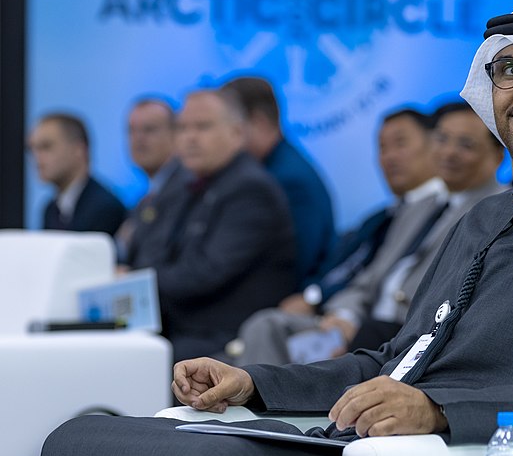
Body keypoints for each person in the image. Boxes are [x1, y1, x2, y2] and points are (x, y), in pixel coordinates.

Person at [39, 0, 513, 456]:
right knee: (78, 436)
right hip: (370, 440)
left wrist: (437, 410)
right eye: (509, 69)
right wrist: (253, 382)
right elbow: (394, 359)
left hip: (450, 451)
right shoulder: (483, 218)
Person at [229, 101, 504, 366]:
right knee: (267, 326)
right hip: (364, 324)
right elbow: (367, 281)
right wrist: (345, 315)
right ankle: (261, 408)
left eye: (465, 145)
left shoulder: (497, 212)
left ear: (498, 154)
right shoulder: (416, 207)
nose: (449, 152)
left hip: (411, 335)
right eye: (442, 140)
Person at [127, 89, 297, 363]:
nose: (190, 137)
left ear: (237, 133)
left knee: (127, 363)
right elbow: (157, 250)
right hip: (183, 331)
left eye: (203, 127)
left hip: (226, 343)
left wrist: (134, 281)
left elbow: (204, 274)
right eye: (182, 128)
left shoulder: (251, 190)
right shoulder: (192, 184)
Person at [274, 107, 443, 317]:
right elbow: (347, 265)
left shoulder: (443, 212)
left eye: (401, 143)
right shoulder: (380, 218)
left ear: (435, 145)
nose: (390, 157)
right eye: (382, 148)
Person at [222, 76, 336, 288]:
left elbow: (294, 266)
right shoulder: (270, 169)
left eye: (231, 125)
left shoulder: (289, 180)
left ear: (259, 123)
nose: (225, 136)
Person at [116, 97, 191, 265]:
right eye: (131, 131)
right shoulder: (145, 199)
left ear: (176, 134)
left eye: (149, 130)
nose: (138, 139)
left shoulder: (188, 188)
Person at [28, 112, 126, 235]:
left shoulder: (106, 208)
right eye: (32, 149)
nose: (36, 158)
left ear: (78, 150)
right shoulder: (50, 209)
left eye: (46, 147)